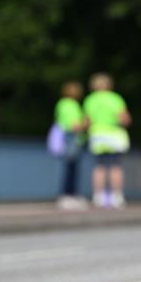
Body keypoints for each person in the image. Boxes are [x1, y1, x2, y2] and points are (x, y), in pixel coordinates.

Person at [83, 73, 131, 208]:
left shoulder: (90, 100)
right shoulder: (115, 98)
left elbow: (86, 121)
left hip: (97, 134)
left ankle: (98, 197)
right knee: (115, 166)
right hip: (114, 133)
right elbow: (125, 119)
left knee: (99, 167)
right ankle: (117, 197)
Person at [50, 81, 87, 209]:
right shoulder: (70, 105)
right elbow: (74, 126)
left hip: (69, 138)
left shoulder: (62, 104)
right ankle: (68, 195)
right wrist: (86, 123)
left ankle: (69, 195)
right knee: (71, 168)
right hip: (71, 138)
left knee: (70, 167)